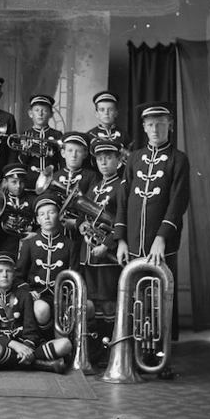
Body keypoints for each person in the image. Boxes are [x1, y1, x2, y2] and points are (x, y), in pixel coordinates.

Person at [115, 101, 190, 379]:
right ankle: (134, 354)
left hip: (163, 243)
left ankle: (161, 357)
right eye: (150, 124)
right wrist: (121, 239)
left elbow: (178, 202)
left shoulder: (179, 159)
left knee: (160, 300)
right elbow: (122, 201)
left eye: (160, 123)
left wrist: (161, 237)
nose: (155, 128)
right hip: (133, 242)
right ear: (144, 128)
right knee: (135, 298)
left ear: (169, 124)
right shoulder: (134, 158)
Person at [0, 252, 71, 373]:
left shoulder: (25, 296)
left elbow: (31, 329)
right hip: (6, 346)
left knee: (65, 344)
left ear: (14, 275)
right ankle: (37, 364)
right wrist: (14, 345)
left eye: (8, 271)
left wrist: (27, 348)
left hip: (26, 344)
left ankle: (12, 362)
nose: (4, 275)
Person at [77, 139, 123, 366]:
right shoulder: (95, 186)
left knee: (109, 304)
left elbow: (124, 221)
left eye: (109, 157)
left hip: (107, 256)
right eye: (99, 158)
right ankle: (97, 349)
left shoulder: (121, 185)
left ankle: (110, 350)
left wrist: (108, 244)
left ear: (119, 159)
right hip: (90, 255)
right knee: (93, 302)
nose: (103, 162)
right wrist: (83, 227)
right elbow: (86, 216)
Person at [14, 193, 80, 340]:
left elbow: (75, 275)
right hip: (37, 294)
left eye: (51, 212)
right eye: (42, 214)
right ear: (37, 219)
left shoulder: (70, 245)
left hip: (62, 296)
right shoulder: (29, 244)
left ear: (59, 215)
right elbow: (18, 277)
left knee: (86, 307)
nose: (47, 217)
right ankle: (46, 340)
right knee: (41, 309)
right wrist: (28, 291)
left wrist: (69, 296)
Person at [9, 94, 63, 192]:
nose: (40, 114)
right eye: (36, 110)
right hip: (30, 182)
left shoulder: (57, 135)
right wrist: (25, 152)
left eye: (45, 110)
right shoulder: (24, 135)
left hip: (52, 183)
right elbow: (20, 163)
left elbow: (61, 160)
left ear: (51, 114)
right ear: (30, 113)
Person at [51, 132, 98, 238]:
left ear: (85, 154)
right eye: (70, 150)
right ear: (63, 153)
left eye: (78, 151)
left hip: (81, 229)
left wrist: (77, 221)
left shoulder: (91, 176)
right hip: (58, 229)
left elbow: (93, 203)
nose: (74, 155)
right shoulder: (55, 176)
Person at [0, 163, 37, 257]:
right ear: (5, 182)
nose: (18, 186)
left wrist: (35, 234)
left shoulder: (33, 200)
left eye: (21, 182)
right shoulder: (1, 200)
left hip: (30, 244)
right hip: (6, 244)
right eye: (14, 182)